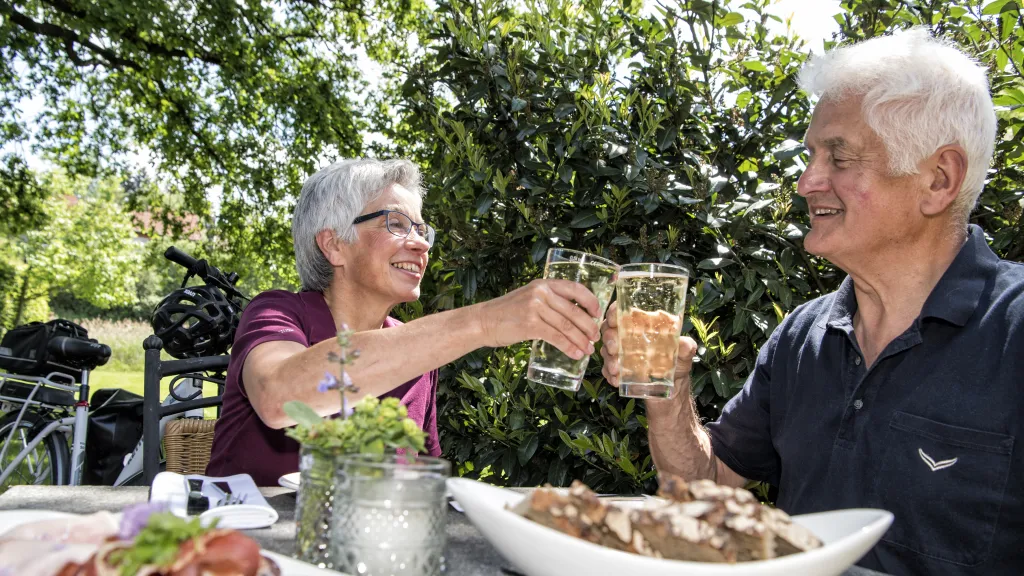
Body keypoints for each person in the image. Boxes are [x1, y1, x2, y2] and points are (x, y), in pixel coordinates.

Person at [600, 29, 1023, 575]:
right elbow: (703, 492)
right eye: (811, 155)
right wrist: (668, 396)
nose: (806, 182)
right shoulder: (804, 335)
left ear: (939, 180)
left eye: (839, 157)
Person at [208, 158, 603, 485]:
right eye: (396, 224)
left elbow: (423, 477)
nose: (421, 243)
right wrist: (484, 322)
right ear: (334, 245)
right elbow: (280, 398)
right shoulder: (276, 311)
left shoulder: (414, 349)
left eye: (422, 229)